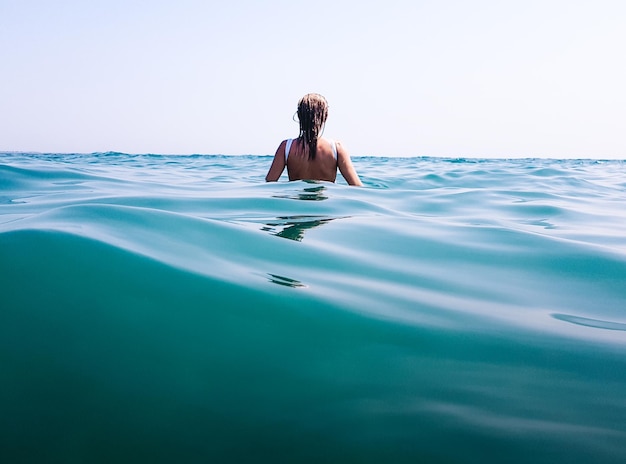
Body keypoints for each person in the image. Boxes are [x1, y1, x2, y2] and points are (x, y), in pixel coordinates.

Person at [265, 93, 362, 186]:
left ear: (299, 116)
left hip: (296, 202)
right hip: (325, 203)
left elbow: (269, 184)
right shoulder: (337, 148)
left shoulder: (286, 147)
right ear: (325, 116)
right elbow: (356, 186)